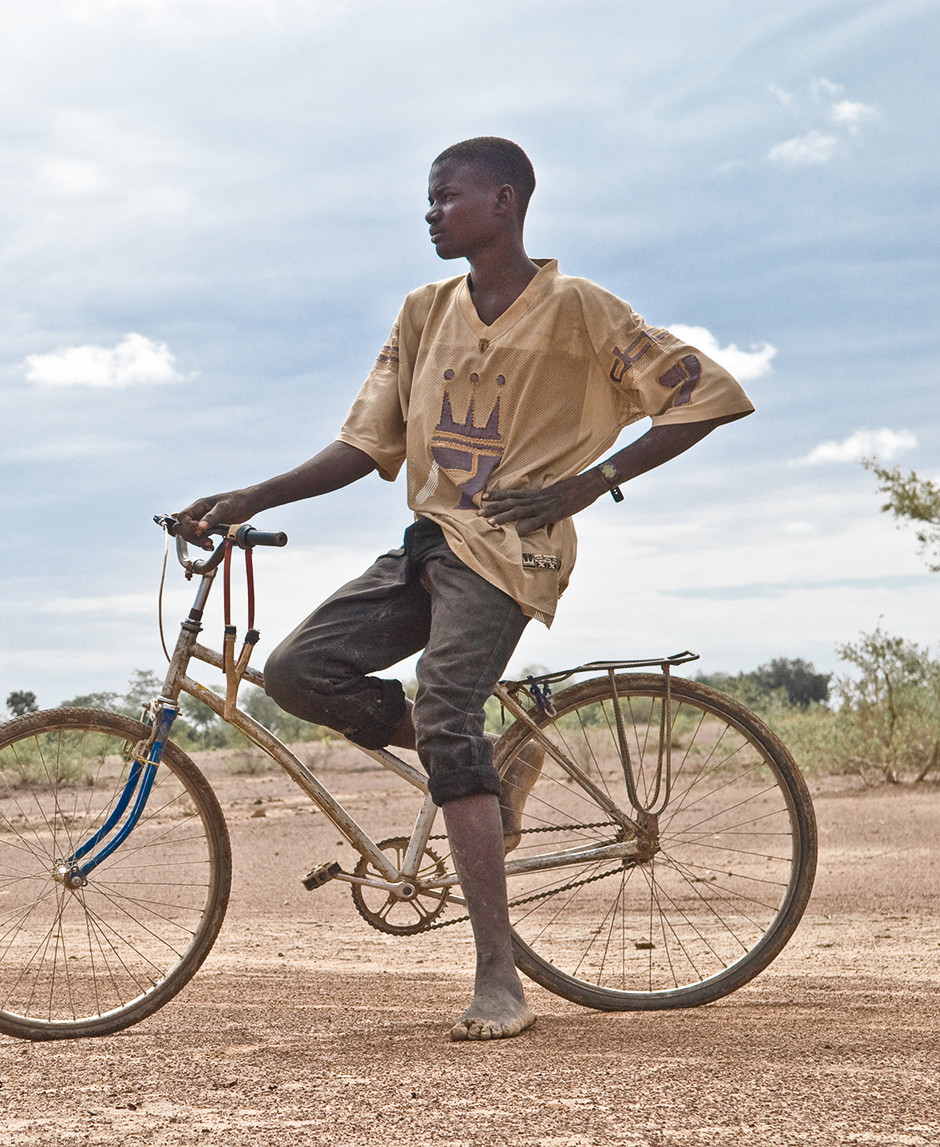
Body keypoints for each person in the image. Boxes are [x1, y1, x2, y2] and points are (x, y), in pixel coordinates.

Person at [170, 136, 754, 1041]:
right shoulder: (422, 311)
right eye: (429, 199)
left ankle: (499, 978)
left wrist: (588, 484)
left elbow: (708, 395)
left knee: (445, 711)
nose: (431, 211)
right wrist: (254, 492)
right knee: (294, 671)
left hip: (511, 549)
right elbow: (366, 445)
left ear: (506, 201)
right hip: (431, 541)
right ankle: (485, 757)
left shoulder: (581, 309)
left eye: (446, 197)